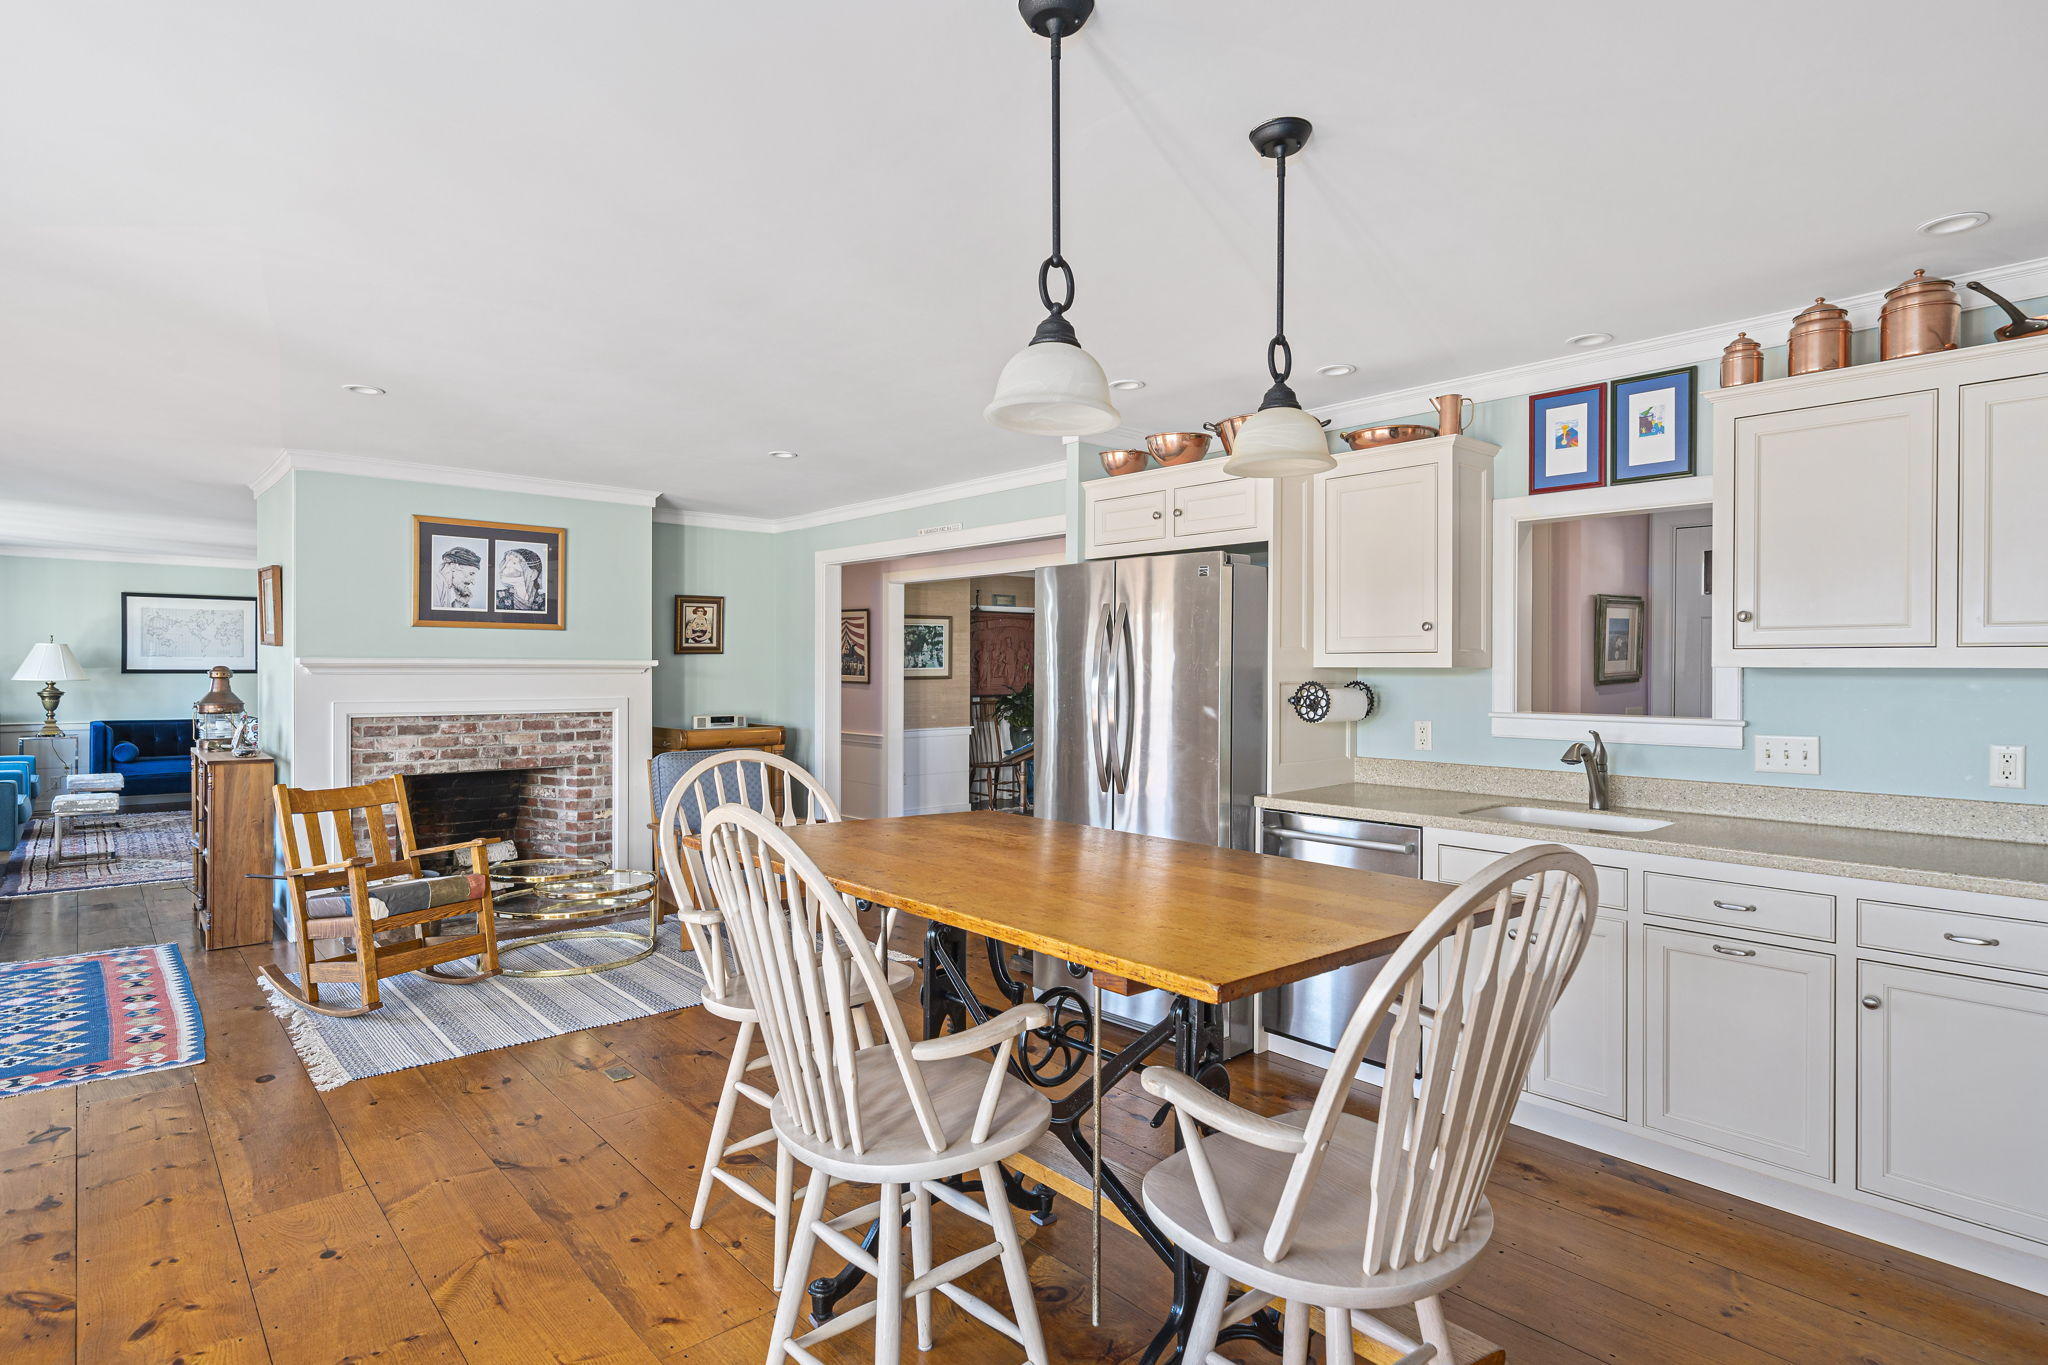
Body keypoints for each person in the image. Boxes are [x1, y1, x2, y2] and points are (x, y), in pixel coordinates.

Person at [495, 547, 547, 612]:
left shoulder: (545, 601)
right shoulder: (498, 597)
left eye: (514, 563)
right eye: (506, 562)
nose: (505, 569)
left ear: (533, 574)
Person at [433, 544, 482, 609]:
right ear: (453, 566)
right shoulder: (435, 581)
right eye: (471, 574)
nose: (473, 582)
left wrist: (460, 603)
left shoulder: (445, 586)